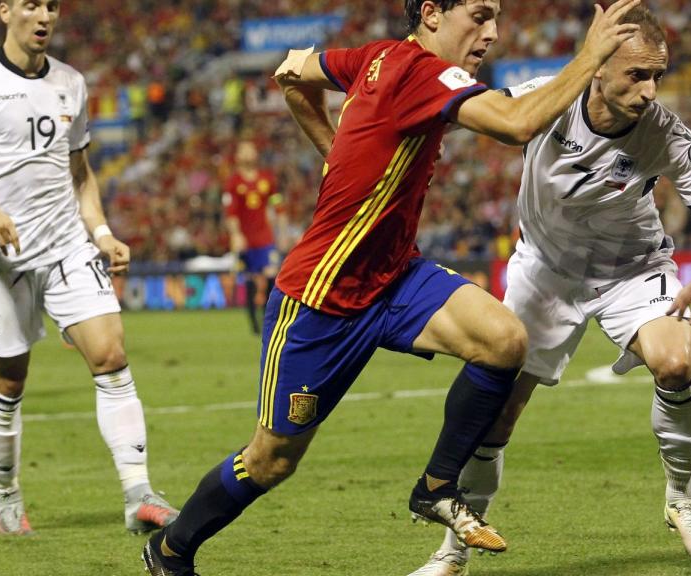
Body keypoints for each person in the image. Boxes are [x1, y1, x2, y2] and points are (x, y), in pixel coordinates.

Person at [142, 1, 644, 574]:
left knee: (504, 339)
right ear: (431, 13)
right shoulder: (421, 71)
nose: (493, 34)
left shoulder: (375, 56)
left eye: (496, 18)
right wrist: (592, 54)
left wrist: (337, 151)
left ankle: (435, 486)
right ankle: (170, 548)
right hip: (320, 299)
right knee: (271, 461)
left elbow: (293, 72)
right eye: (479, 16)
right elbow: (518, 124)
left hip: (394, 278)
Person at [408, 7, 691, 575]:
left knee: (674, 362)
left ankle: (682, 498)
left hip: (632, 269)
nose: (650, 91)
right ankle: (454, 551)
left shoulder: (665, 133)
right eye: (637, 75)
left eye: (656, 76)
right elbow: (460, 114)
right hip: (544, 270)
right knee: (497, 417)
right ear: (597, 68)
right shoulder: (545, 99)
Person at [0, 0, 178, 535]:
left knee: (111, 354)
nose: (44, 14)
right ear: (6, 11)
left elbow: (80, 175)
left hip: (66, 247)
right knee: (8, 380)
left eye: (51, 5)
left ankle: (138, 493)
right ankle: (5, 491)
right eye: (31, 4)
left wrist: (101, 232)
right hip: (3, 260)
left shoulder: (71, 83)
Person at [223, 139, 287, 334]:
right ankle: (254, 324)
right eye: (245, 150)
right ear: (238, 156)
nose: (249, 153)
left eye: (251, 149)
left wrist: (283, 232)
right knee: (250, 277)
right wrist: (235, 235)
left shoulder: (267, 179)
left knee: (270, 275)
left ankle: (268, 317)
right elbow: (231, 213)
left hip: (265, 237)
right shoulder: (234, 182)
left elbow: (279, 207)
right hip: (245, 239)